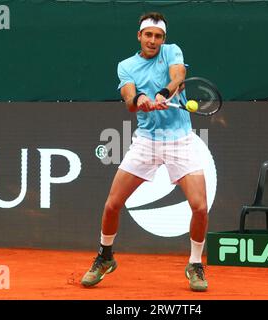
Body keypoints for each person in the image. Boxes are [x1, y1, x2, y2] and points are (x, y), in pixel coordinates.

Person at [80, 12, 208, 292]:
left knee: (199, 206)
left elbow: (178, 76)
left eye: (158, 36)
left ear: (164, 39)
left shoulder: (172, 52)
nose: (153, 40)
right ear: (139, 36)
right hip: (146, 141)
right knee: (113, 204)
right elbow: (128, 98)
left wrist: (164, 92)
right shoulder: (126, 66)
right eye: (148, 35)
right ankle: (105, 256)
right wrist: (141, 99)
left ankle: (195, 264)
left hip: (180, 140)